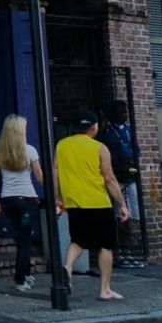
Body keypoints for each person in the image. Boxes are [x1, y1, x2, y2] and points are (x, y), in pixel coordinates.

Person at [55, 114, 132, 301]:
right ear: (94, 127)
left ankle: (68, 267)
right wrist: (122, 204)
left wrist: (59, 198)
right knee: (105, 246)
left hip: (74, 203)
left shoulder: (61, 145)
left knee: (78, 241)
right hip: (98, 202)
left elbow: (55, 173)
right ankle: (105, 290)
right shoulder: (100, 148)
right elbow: (110, 179)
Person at [0, 113, 47, 290]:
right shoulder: (30, 150)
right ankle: (20, 279)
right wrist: (53, 193)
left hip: (8, 200)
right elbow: (39, 177)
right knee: (25, 240)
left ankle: (26, 273)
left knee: (21, 239)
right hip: (27, 200)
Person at [100, 102, 144, 269]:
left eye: (125, 111)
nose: (124, 114)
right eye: (120, 111)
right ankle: (119, 252)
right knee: (118, 215)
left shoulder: (128, 130)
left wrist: (132, 162)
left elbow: (136, 149)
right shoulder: (108, 132)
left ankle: (127, 250)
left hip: (130, 177)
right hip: (116, 177)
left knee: (131, 214)